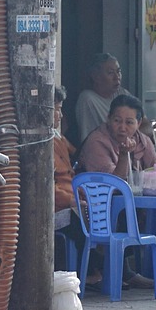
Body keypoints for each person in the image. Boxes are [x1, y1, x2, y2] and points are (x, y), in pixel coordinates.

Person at [76, 95, 156, 290]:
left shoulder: (142, 140)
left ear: (138, 123)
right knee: (119, 214)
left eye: (129, 122)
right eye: (117, 121)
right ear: (108, 119)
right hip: (98, 203)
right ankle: (117, 272)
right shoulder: (97, 141)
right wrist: (124, 156)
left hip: (133, 201)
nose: (122, 127)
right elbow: (111, 186)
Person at [53, 88, 100, 284]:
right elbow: (47, 189)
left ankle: (117, 270)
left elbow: (77, 156)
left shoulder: (58, 139)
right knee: (80, 218)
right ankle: (87, 270)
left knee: (102, 210)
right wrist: (73, 199)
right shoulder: (40, 144)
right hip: (56, 207)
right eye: (56, 109)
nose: (60, 115)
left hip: (70, 197)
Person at [73, 53, 128, 143]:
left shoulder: (122, 93)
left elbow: (144, 124)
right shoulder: (87, 99)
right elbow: (88, 140)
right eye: (110, 73)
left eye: (118, 72)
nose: (117, 77)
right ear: (95, 76)